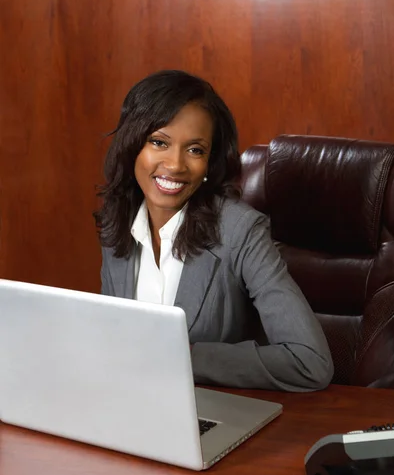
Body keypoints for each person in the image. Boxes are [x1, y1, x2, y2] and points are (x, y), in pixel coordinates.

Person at [95, 70, 334, 391]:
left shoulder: (240, 231)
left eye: (195, 150)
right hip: (131, 404)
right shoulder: (119, 222)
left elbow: (310, 361)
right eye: (159, 142)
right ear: (132, 146)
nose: (176, 164)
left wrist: (184, 357)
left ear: (210, 162)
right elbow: (114, 342)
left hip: (211, 415)